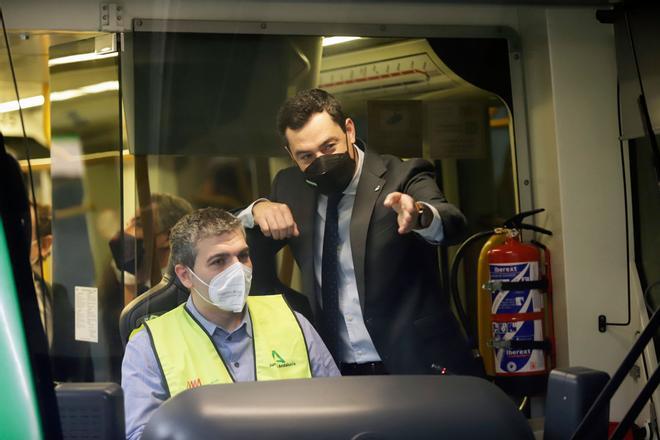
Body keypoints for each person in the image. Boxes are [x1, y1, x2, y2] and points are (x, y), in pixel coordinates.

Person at [240, 88, 481, 377]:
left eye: (329, 147)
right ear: (290, 154)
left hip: (415, 361)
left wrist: (420, 215)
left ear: (349, 131)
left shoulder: (401, 175)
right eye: (306, 155)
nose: (320, 160)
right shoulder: (291, 186)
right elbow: (223, 236)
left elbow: (451, 221)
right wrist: (256, 210)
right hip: (336, 367)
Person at [121, 208, 339, 440]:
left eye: (243, 256)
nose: (238, 269)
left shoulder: (293, 321)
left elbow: (339, 411)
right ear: (185, 276)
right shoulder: (148, 346)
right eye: (219, 261)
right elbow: (140, 435)